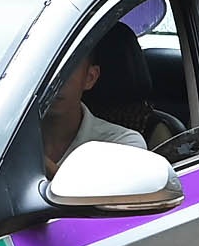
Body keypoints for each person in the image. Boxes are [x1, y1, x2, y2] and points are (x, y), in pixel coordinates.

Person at [39, 25, 160, 175]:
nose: (55, 82)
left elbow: (98, 198)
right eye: (46, 69)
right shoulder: (8, 131)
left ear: (90, 78)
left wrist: (27, 158)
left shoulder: (123, 143)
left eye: (68, 68)